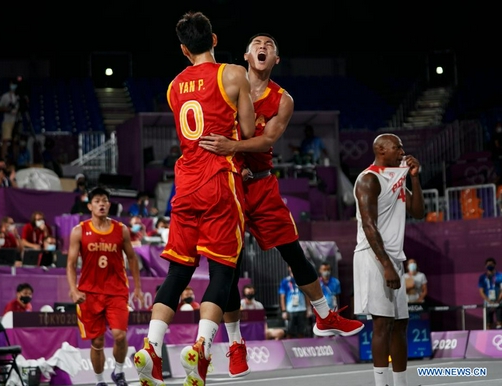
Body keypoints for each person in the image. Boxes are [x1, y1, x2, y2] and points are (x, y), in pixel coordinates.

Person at [198, 33, 363, 377]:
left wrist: (234, 147)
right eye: (257, 43)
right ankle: (234, 344)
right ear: (246, 54)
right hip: (228, 187)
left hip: (261, 185)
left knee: (293, 251)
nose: (263, 46)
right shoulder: (225, 86)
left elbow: (269, 139)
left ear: (275, 60)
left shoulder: (282, 99)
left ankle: (323, 315)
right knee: (226, 269)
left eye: (269, 45)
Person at [133, 11, 256, 386]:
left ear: (184, 49)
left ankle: (152, 347)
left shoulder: (173, 86)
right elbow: (248, 131)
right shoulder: (234, 74)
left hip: (184, 184)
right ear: (214, 39)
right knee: (223, 270)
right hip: (219, 180)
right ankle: (201, 346)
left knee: (178, 271)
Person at [353, 133, 425, 386]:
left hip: (394, 257)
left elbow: (418, 212)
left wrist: (414, 178)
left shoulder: (396, 180)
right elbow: (369, 226)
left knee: (401, 323)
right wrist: (385, 265)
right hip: (373, 256)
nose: (402, 151)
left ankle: (401, 383)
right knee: (382, 323)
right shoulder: (368, 179)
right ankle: (381, 384)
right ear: (381, 150)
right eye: (397, 147)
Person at [66, 186, 143, 386]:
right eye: (98, 201)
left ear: (109, 205)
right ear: (90, 205)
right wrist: (74, 289)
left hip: (116, 291)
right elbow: (71, 264)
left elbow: (132, 259)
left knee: (120, 335)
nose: (102, 204)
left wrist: (137, 288)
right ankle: (100, 381)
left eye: (105, 200)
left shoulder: (121, 229)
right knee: (97, 341)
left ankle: (118, 372)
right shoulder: (79, 231)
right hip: (89, 293)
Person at [279, 266, 309, 339]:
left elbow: (307, 295)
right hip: (290, 310)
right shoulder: (285, 281)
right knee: (289, 331)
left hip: (302, 309)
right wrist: (284, 311)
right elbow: (282, 296)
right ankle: (288, 348)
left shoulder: (303, 279)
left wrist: (309, 309)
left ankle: (301, 347)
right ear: (288, 268)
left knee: (301, 331)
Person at [0, 78, 21, 161]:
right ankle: (3, 159)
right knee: (5, 141)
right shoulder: (5, 96)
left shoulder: (18, 97)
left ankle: (15, 160)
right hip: (7, 121)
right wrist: (8, 109)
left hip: (16, 121)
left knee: (16, 141)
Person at [478, 257, 502, 329]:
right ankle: (488, 337)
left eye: (491, 264)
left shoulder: (500, 275)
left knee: (500, 322)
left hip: (499, 302)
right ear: (485, 266)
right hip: (487, 303)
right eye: (488, 264)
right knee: (488, 324)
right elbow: (481, 291)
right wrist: (489, 301)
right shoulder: (482, 277)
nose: (490, 266)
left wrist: (498, 301)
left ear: (495, 265)